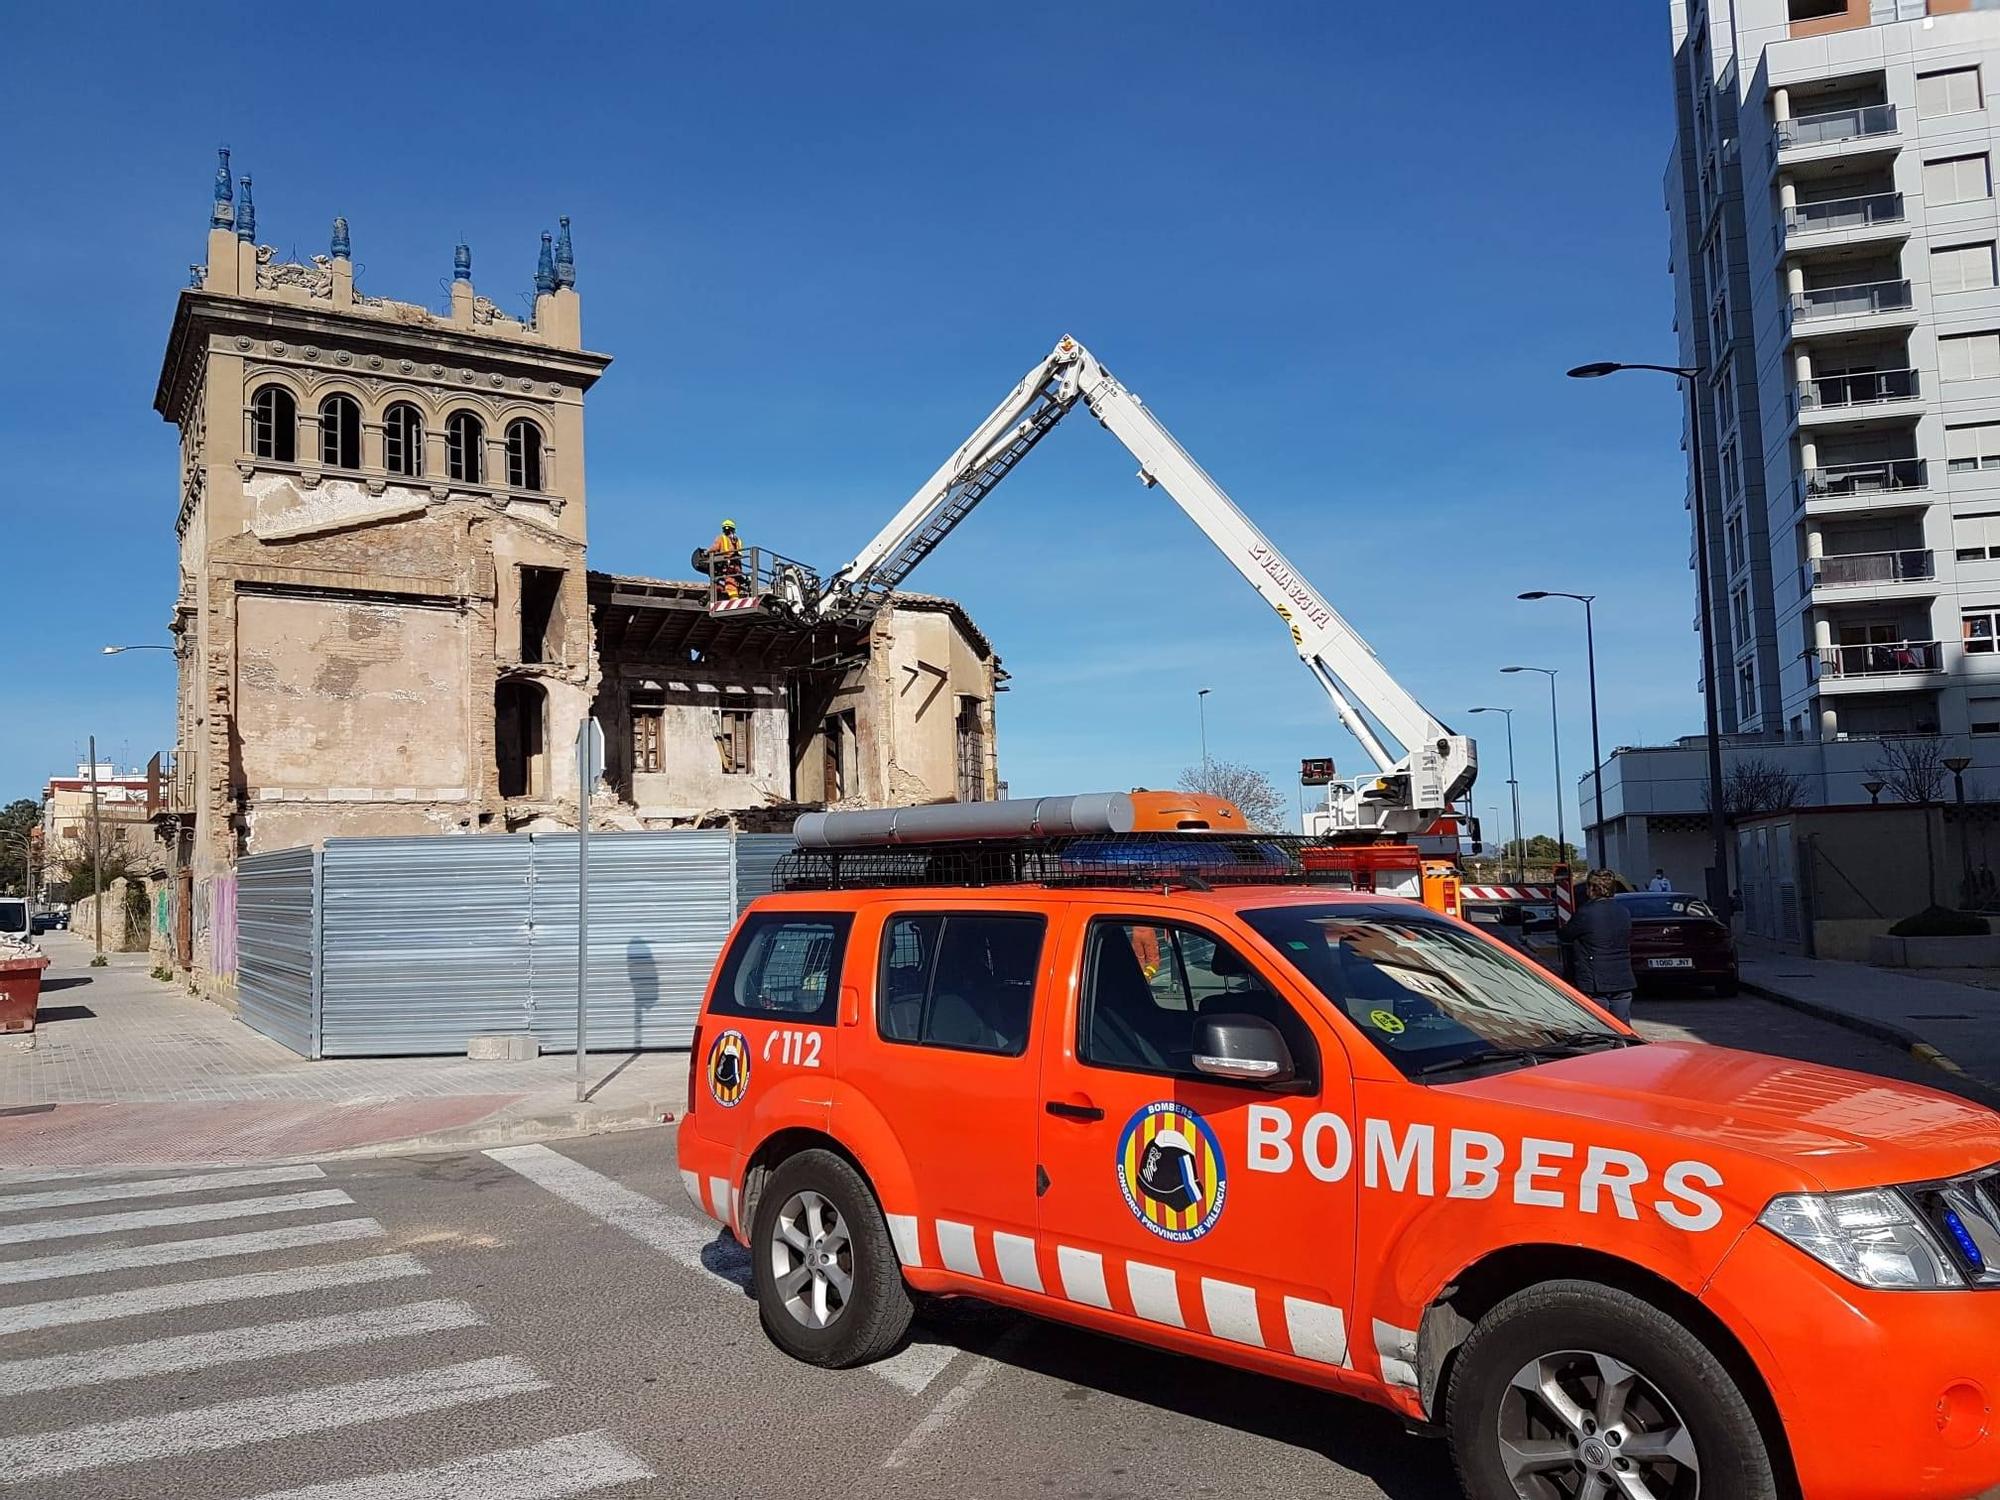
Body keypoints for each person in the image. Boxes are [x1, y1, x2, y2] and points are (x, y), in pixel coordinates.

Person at [1560, 868, 1636, 1024]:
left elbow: (1565, 935)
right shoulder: (1623, 911)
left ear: (1592, 889)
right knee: (1623, 1026)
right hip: (1622, 979)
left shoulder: (1586, 913)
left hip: (1595, 982)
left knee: (1599, 1026)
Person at [710, 518, 744, 599]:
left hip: (726, 564)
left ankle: (734, 600)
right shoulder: (738, 540)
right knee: (736, 582)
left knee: (730, 583)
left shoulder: (721, 538)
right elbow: (739, 553)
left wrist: (706, 552)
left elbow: (714, 548)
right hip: (737, 566)